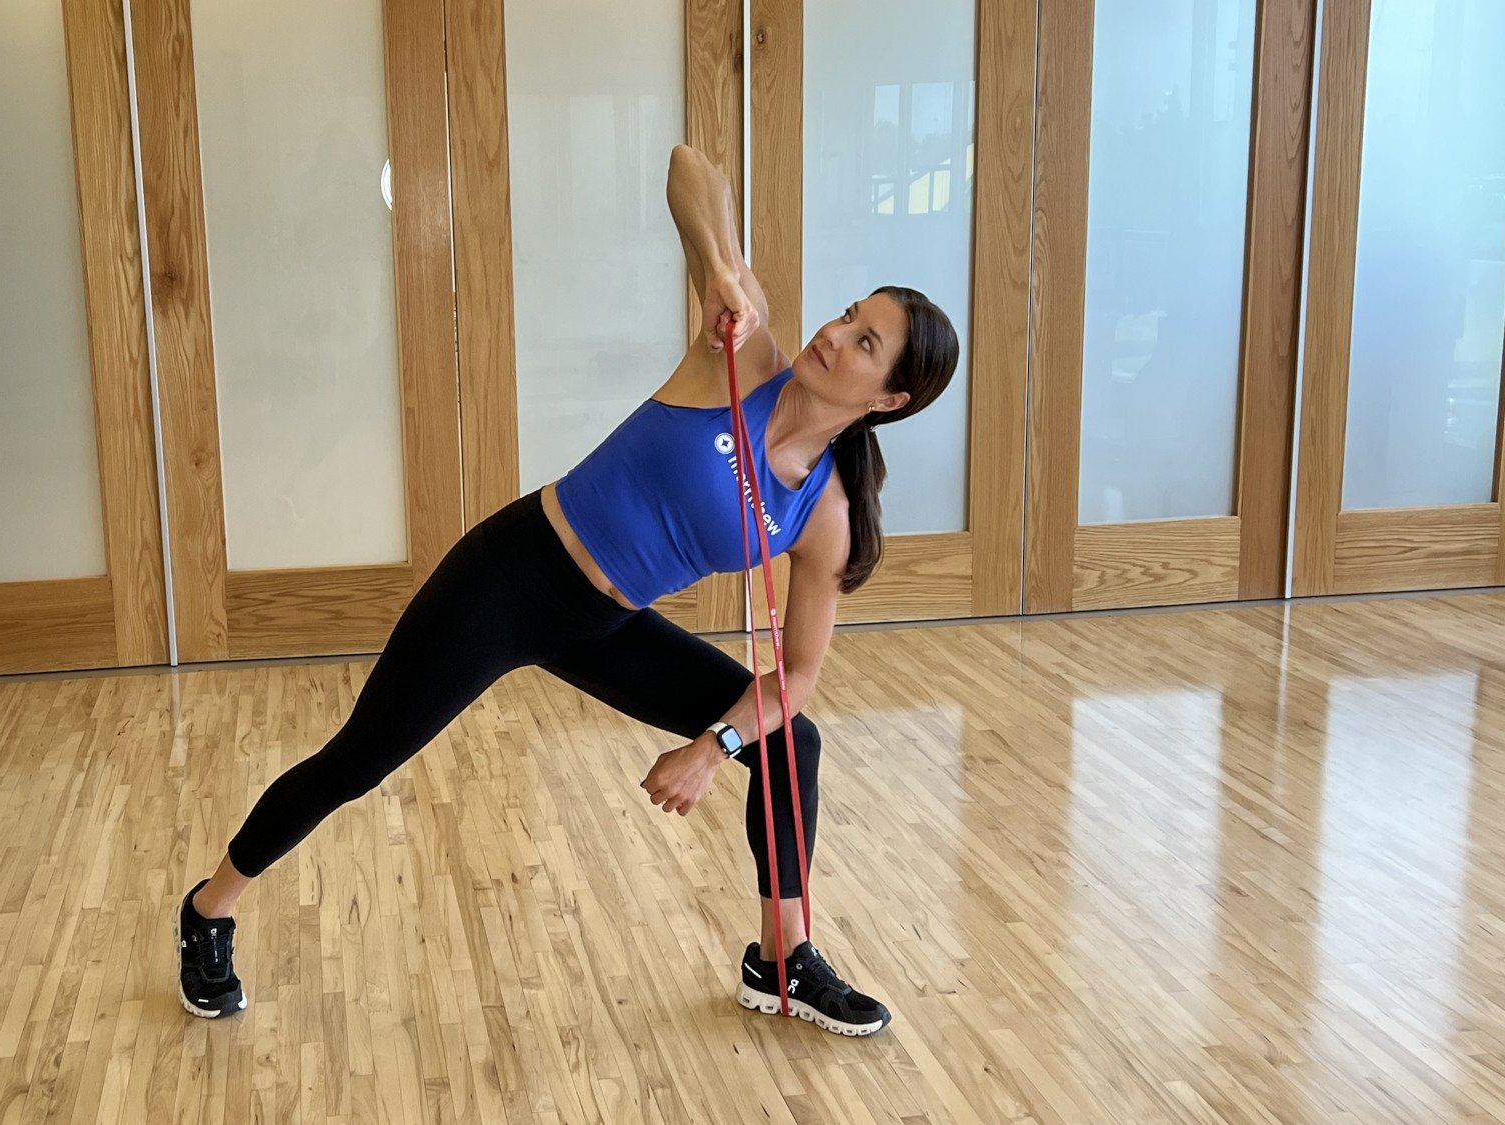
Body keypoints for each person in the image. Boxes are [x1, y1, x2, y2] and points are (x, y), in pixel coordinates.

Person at [176, 144, 959, 1037]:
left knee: (793, 744)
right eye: (849, 314)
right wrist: (717, 269)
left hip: (604, 620)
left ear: (892, 397)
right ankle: (208, 909)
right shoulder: (743, 357)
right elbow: (689, 167)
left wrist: (712, 748)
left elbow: (797, 678)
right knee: (358, 759)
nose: (835, 333)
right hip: (514, 574)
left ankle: (780, 957)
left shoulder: (825, 514)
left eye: (864, 342)